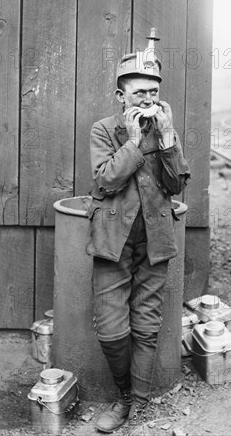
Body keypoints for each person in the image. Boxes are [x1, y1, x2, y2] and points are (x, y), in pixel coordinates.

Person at [86, 30, 191, 433]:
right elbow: (105, 182)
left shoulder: (165, 129)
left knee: (147, 325)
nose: (147, 101)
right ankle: (124, 394)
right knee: (112, 327)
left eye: (153, 92)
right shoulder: (103, 129)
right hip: (113, 243)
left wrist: (166, 140)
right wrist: (132, 142)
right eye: (138, 94)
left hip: (155, 241)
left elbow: (177, 184)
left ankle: (138, 405)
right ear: (120, 96)